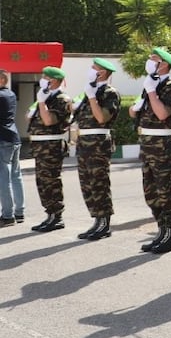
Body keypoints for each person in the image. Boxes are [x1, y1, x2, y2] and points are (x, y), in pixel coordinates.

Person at [130, 48, 171, 253]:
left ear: (164, 65)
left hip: (164, 147)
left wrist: (152, 92)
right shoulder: (150, 85)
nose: (149, 61)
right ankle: (161, 231)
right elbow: (135, 112)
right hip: (148, 145)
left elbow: (162, 114)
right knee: (151, 194)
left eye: (154, 59)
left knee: (166, 194)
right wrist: (139, 103)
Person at [73, 57, 122, 240]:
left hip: (98, 143)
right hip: (84, 143)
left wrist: (92, 97)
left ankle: (104, 223)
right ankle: (96, 220)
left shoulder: (110, 93)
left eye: (94, 67)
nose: (91, 70)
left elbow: (101, 118)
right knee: (87, 184)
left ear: (102, 73)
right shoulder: (89, 91)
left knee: (99, 183)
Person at [28, 66, 73, 232]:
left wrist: (41, 102)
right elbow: (29, 117)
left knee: (51, 181)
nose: (42, 79)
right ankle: (50, 214)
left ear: (54, 81)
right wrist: (41, 102)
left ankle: (57, 216)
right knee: (42, 182)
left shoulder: (62, 99)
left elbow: (48, 121)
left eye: (45, 77)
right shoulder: (46, 98)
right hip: (40, 146)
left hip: (52, 147)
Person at [0, 70, 23, 227]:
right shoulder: (11, 94)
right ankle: (19, 212)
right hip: (14, 137)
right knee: (16, 176)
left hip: (2, 140)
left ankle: (8, 216)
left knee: (4, 178)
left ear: (2, 79)